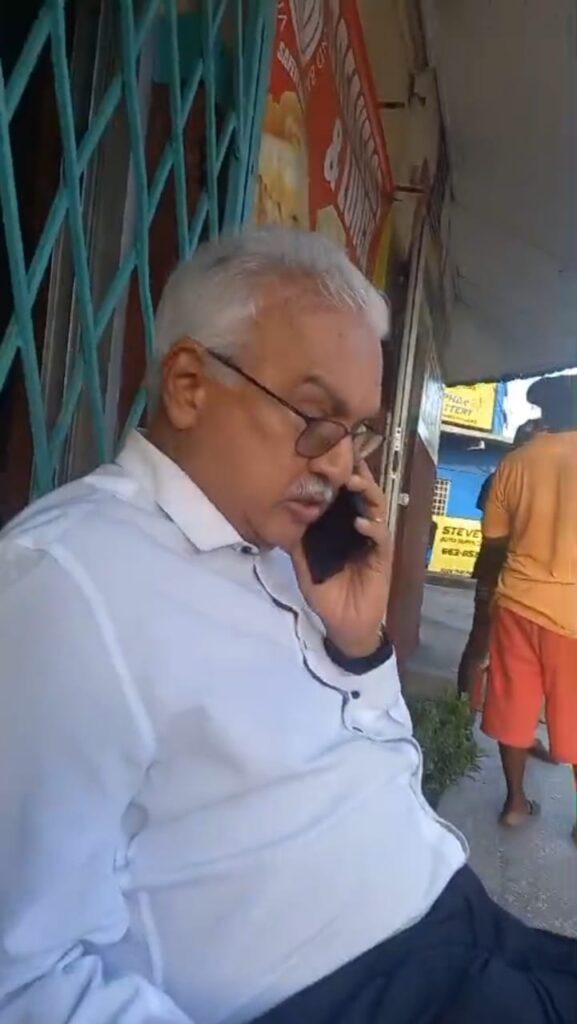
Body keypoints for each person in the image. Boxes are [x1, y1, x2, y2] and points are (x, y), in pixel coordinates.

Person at [0, 228, 574, 1024]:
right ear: (190, 384)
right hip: (361, 994)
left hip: (459, 920)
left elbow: (381, 763)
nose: (340, 464)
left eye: (356, 431)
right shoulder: (65, 587)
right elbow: (23, 977)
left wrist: (361, 646)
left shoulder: (288, 548)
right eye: (314, 416)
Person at [481, 375, 577, 832]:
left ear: (543, 413)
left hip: (517, 603)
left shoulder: (515, 463)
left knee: (512, 704)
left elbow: (494, 544)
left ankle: (515, 803)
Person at [457, 420, 542, 709]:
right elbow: (492, 531)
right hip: (497, 571)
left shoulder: (541, 482)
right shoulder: (500, 477)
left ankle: (508, 718)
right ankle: (463, 712)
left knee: (520, 651)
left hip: (528, 575)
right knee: (482, 639)